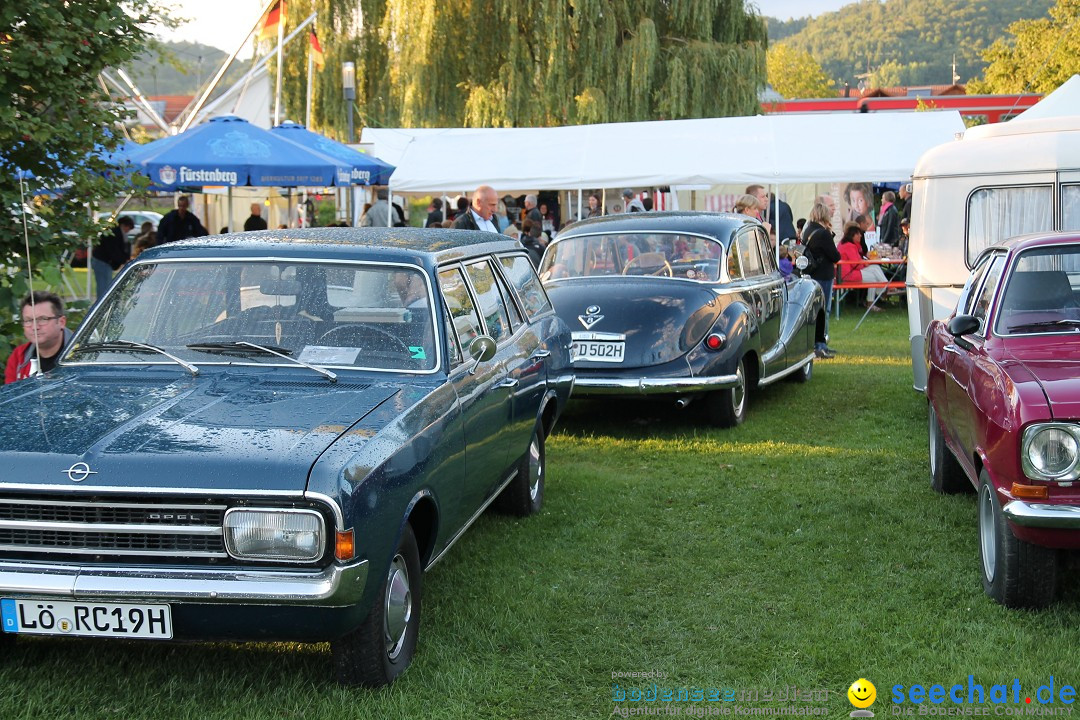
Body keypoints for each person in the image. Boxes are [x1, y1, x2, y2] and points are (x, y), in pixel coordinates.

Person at [6, 291, 74, 383]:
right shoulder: (18, 357)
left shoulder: (84, 355)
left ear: (61, 322)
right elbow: (11, 395)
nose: (35, 327)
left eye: (43, 319)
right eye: (28, 320)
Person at [802, 201, 841, 359]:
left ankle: (816, 343)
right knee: (824, 310)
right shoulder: (823, 233)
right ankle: (821, 344)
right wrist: (829, 232)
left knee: (815, 309)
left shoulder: (808, 230)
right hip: (824, 274)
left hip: (812, 273)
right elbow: (835, 256)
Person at [838, 222, 888, 311]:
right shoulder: (849, 246)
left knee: (875, 268)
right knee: (874, 277)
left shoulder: (845, 244)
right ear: (853, 235)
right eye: (858, 234)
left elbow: (856, 262)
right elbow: (856, 264)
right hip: (848, 275)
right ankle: (885, 289)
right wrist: (867, 263)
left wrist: (866, 262)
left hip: (845, 272)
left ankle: (884, 289)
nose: (861, 236)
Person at [92, 215, 133, 297]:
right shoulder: (114, 234)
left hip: (104, 261)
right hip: (102, 261)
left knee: (106, 284)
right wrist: (124, 260)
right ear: (124, 225)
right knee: (104, 286)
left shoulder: (116, 233)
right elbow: (114, 251)